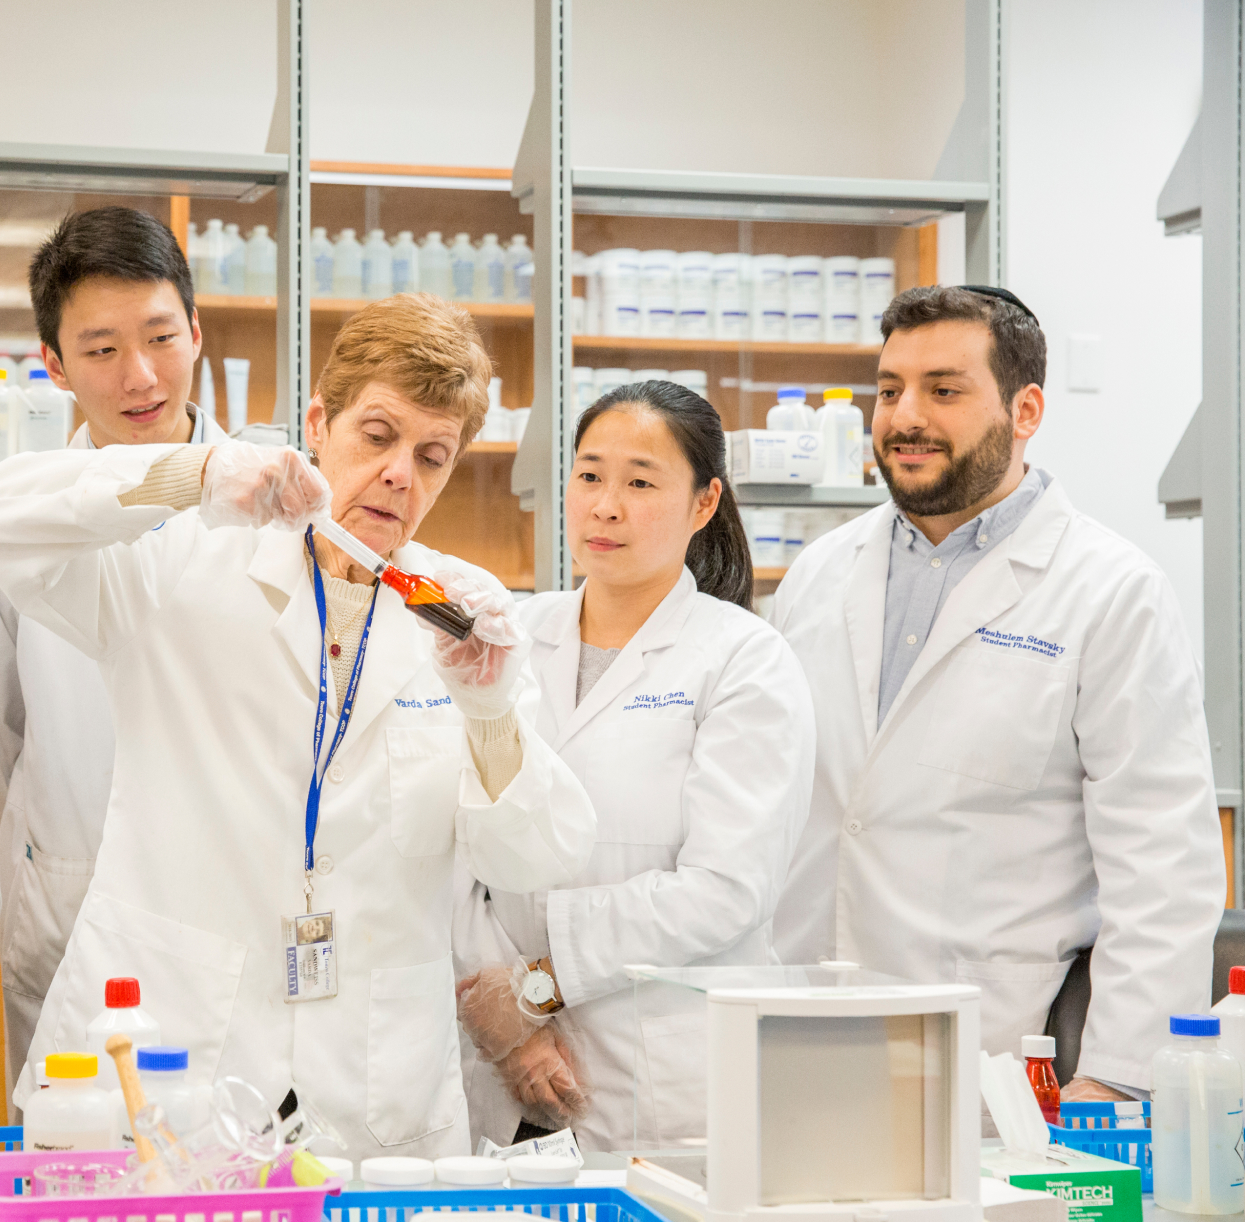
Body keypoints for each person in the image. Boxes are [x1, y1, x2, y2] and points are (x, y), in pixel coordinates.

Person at [0, 293, 595, 1157]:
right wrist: (191, 472)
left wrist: (488, 715)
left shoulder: (460, 615)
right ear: (318, 423)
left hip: (375, 1086)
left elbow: (539, 858)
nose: (401, 473)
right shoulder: (183, 556)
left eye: (432, 455)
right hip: (175, 1060)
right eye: (378, 435)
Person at [770, 285, 1228, 1101]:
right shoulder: (819, 572)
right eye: (889, 389)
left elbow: (1163, 866)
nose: (904, 415)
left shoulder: (1110, 591)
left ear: (1026, 410)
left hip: (995, 1065)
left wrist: (1117, 1083)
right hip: (801, 1031)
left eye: (943, 389)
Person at [455, 380, 815, 1150]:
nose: (605, 505)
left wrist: (537, 988)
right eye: (588, 475)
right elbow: (455, 853)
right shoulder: (510, 635)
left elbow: (726, 888)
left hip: (665, 1075)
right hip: (496, 1062)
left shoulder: (745, 660)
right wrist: (508, 1024)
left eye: (640, 481)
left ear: (704, 501)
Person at [0, 206, 222, 1100]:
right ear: (56, 367)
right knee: (71, 1166)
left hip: (225, 900)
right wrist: (47, 843)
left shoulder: (269, 501)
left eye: (159, 336)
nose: (140, 376)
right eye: (102, 350)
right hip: (70, 893)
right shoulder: (15, 519)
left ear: (196, 331)